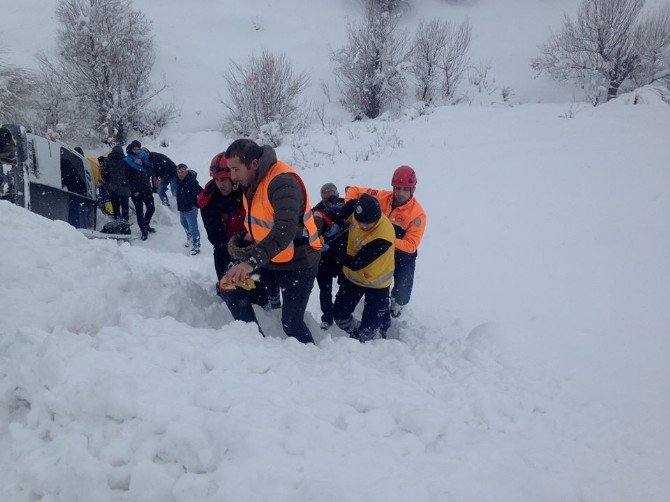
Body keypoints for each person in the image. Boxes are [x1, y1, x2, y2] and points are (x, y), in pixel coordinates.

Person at [221, 139, 322, 344]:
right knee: (228, 286)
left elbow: (284, 231)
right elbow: (262, 218)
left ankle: (313, 361)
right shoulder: (253, 180)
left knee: (291, 323)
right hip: (271, 258)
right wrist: (247, 236)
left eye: (235, 169)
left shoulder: (283, 182)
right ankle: (256, 345)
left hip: (299, 263)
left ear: (254, 164)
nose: (232, 176)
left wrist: (249, 263)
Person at [345, 165, 426, 318]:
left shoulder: (418, 215)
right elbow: (353, 190)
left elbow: (411, 245)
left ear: (412, 190)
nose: (400, 193)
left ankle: (397, 304)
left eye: (405, 189)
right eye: (397, 188)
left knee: (402, 295)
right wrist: (349, 209)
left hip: (403, 257)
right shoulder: (381, 197)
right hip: (381, 252)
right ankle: (379, 305)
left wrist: (385, 239)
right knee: (379, 282)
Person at [330, 194, 395, 342]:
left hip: (377, 283)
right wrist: (339, 221)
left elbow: (356, 263)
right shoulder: (360, 210)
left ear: (377, 218)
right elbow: (351, 203)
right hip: (353, 279)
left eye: (367, 224)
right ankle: (356, 333)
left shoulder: (384, 235)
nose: (362, 226)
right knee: (339, 316)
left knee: (369, 330)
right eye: (359, 222)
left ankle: (377, 335)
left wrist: (329, 250)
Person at [198, 153, 246, 279]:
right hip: (225, 249)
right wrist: (232, 256)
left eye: (224, 179)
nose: (220, 185)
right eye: (216, 179)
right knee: (229, 287)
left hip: (250, 244)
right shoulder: (210, 199)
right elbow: (215, 235)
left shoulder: (247, 190)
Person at [311, 182, 346, 330]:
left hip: (342, 254)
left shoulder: (346, 206)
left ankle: (343, 313)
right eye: (326, 200)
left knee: (345, 286)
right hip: (323, 256)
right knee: (325, 289)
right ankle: (327, 318)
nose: (329, 203)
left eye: (332, 197)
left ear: (337, 195)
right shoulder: (316, 211)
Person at [125, 140, 155, 240]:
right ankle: (143, 230)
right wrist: (133, 190)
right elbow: (126, 178)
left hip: (146, 187)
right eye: (135, 149)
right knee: (139, 211)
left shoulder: (143, 156)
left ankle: (146, 225)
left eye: (138, 149)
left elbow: (150, 170)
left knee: (151, 208)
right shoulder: (127, 160)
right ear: (131, 149)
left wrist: (142, 164)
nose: (137, 151)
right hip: (136, 191)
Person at [175, 163, 203, 255]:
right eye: (178, 172)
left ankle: (196, 245)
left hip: (191, 209)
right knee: (183, 223)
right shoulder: (178, 180)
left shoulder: (191, 182)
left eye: (182, 171)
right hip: (182, 208)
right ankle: (190, 238)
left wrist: (197, 204)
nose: (180, 173)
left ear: (186, 171)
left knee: (193, 227)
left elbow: (202, 193)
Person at [101, 145, 131, 221]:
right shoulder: (126, 160)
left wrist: (108, 182)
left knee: (115, 205)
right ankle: (125, 221)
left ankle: (117, 220)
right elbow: (130, 173)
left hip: (113, 187)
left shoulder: (107, 160)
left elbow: (104, 173)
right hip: (125, 187)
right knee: (125, 205)